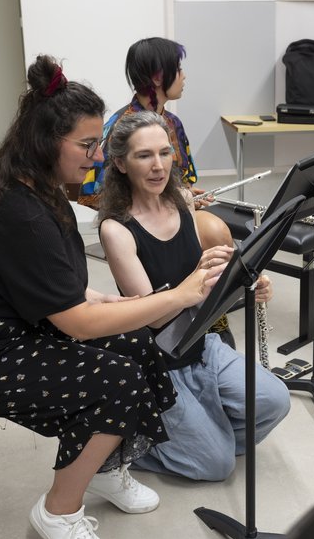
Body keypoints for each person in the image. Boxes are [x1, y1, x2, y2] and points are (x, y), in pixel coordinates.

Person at [0, 56, 222, 539]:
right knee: (115, 379)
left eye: (97, 143)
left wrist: (108, 301)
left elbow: (58, 286)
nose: (98, 156)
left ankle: (102, 470)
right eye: (86, 144)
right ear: (44, 142)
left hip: (16, 326)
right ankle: (58, 512)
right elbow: (75, 324)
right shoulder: (22, 211)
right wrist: (180, 295)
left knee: (139, 347)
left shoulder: (44, 190)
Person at [97, 110, 291, 481]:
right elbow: (154, 316)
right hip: (158, 360)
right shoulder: (116, 230)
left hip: (202, 343)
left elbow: (201, 294)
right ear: (121, 163)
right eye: (144, 156)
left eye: (165, 153)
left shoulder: (184, 200)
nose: (158, 166)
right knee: (216, 466)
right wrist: (206, 276)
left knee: (275, 401)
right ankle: (134, 443)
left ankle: (199, 434)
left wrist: (246, 284)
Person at [78, 36, 236, 345]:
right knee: (215, 231)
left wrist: (185, 192)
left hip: (171, 206)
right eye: (178, 68)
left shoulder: (172, 122)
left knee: (217, 234)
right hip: (136, 216)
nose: (185, 75)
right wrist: (143, 207)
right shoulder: (120, 126)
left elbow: (183, 178)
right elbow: (90, 191)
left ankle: (212, 315)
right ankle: (191, 315)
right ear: (158, 77)